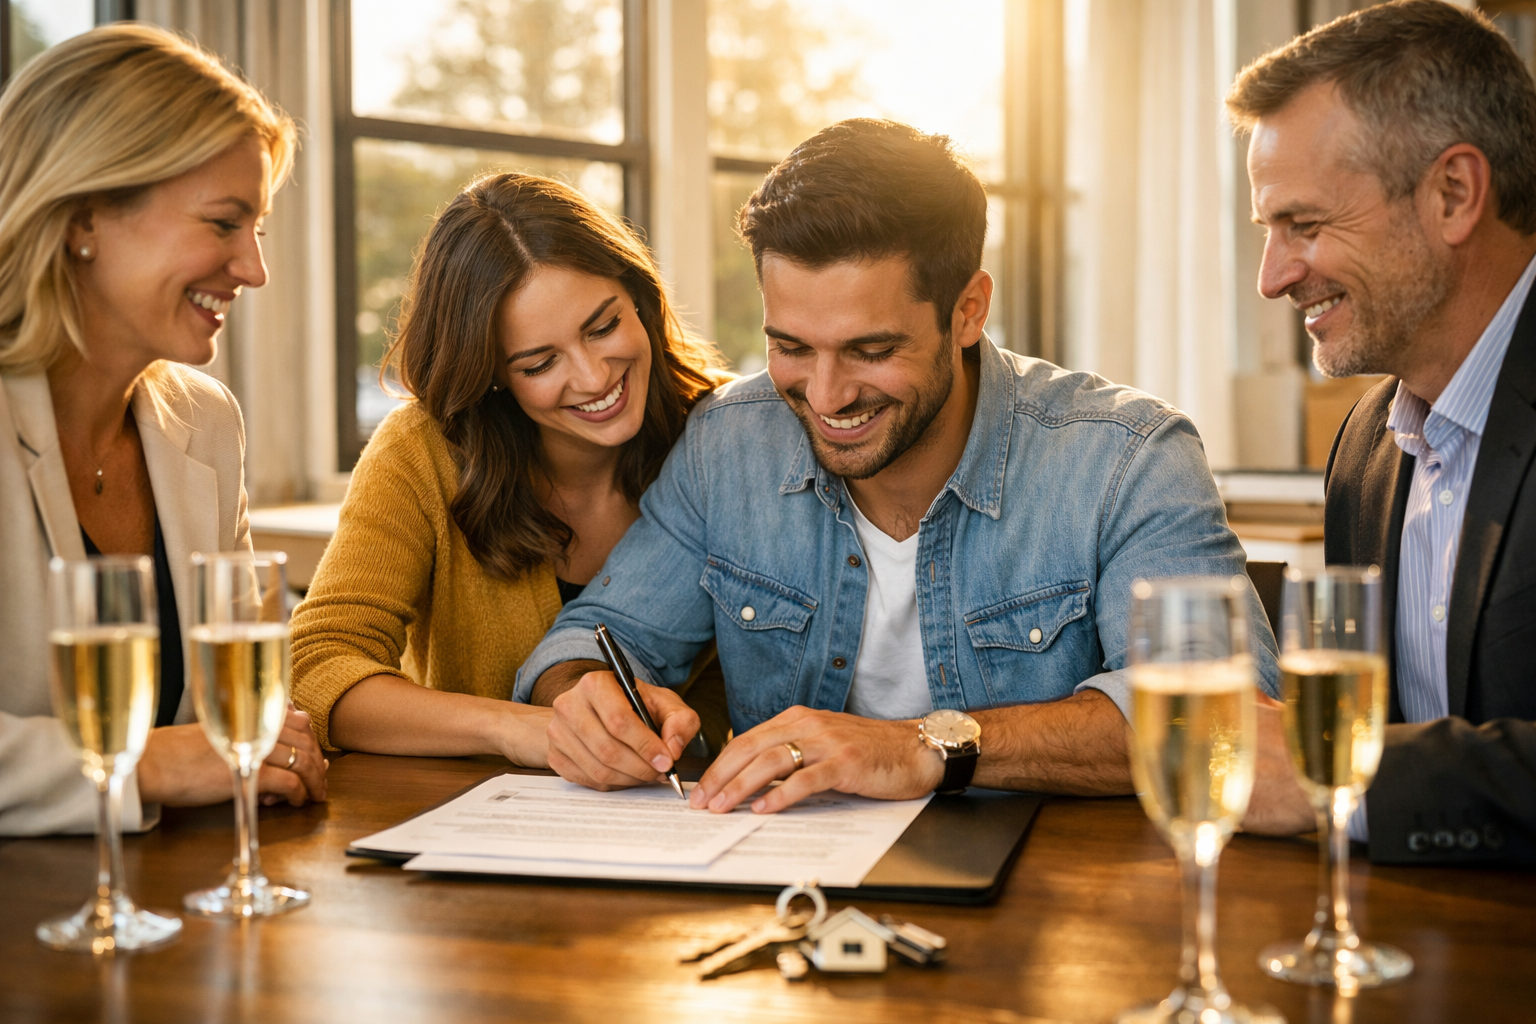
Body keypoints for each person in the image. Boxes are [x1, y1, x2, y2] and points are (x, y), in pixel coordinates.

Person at [516, 118, 1279, 813]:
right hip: (783, 894)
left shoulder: (1127, 457)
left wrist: (923, 746)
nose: (825, 395)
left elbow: (1226, 717)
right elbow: (593, 637)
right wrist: (586, 701)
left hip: (1052, 906)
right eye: (790, 347)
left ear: (968, 311)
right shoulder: (727, 444)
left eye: (871, 351)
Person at [0, 24, 327, 835]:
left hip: (173, 918)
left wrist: (275, 740)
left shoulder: (204, 422)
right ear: (83, 217)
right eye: (223, 223)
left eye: (257, 228)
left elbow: (249, 700)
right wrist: (152, 762)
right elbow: (187, 753)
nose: (253, 268)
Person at [1233, 0, 1536, 865]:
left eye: (1307, 224)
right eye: (1268, 230)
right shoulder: (1367, 449)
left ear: (1453, 193)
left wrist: (1338, 778)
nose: (1273, 276)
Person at [289, 173, 731, 762]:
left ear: (639, 297)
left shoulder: (727, 438)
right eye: (540, 363)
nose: (595, 377)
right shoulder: (424, 452)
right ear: (491, 372)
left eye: (603, 327)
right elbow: (318, 667)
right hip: (473, 821)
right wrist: (515, 728)